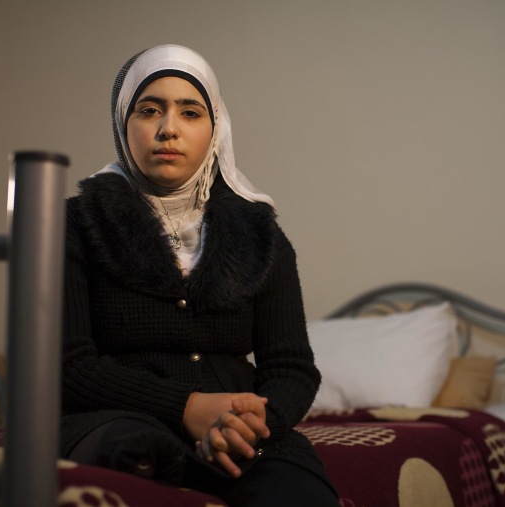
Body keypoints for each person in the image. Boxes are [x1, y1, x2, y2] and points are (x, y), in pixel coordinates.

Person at [60, 44, 338, 506]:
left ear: (214, 130)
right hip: (115, 421)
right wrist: (186, 408)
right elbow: (66, 366)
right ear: (122, 124)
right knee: (135, 458)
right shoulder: (76, 224)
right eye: (149, 110)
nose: (168, 129)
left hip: (246, 432)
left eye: (190, 112)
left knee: (297, 492)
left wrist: (248, 426)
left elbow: (291, 367)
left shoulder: (259, 234)